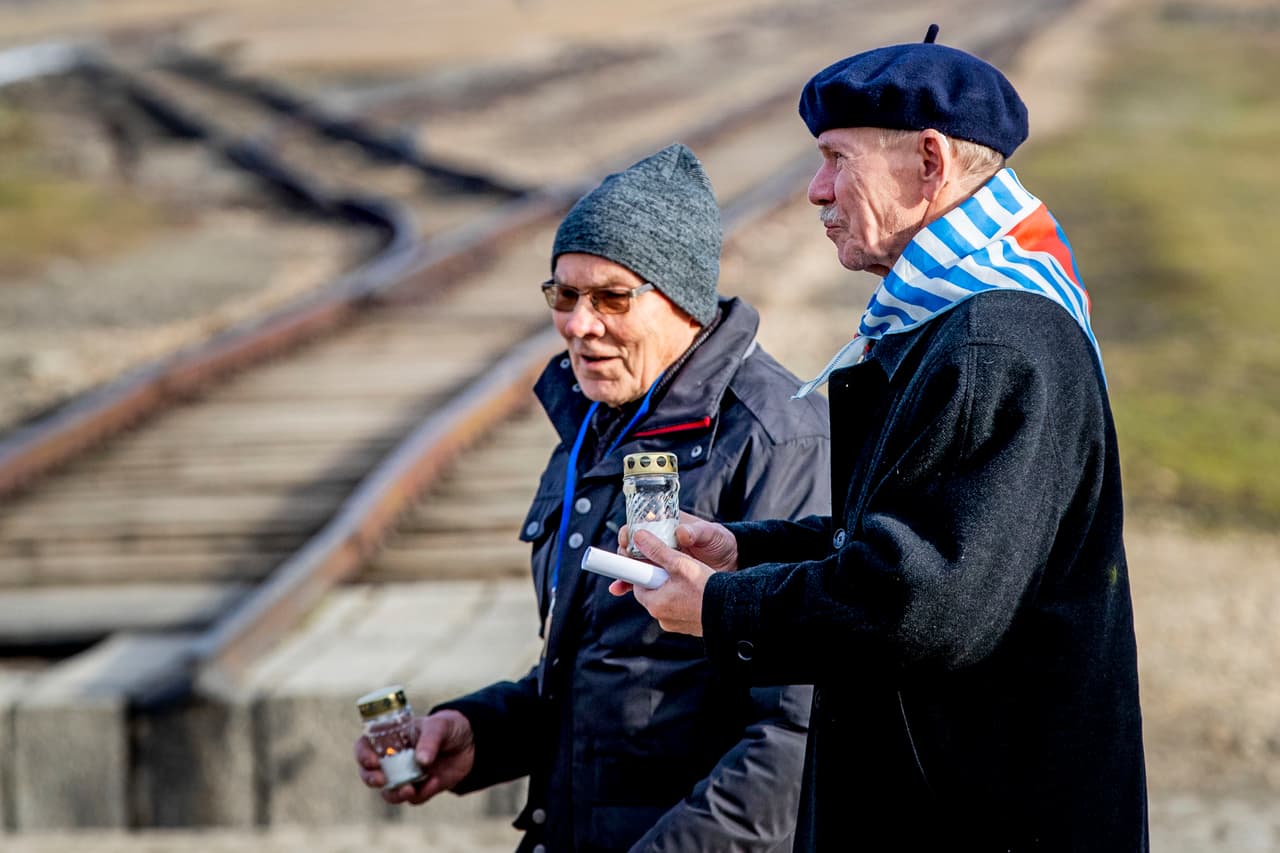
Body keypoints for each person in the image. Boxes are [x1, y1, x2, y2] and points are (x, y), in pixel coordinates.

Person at [615, 28, 1149, 851]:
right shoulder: (958, 316)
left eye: (836, 159)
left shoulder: (991, 342)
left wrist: (721, 609)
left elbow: (923, 602)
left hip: (976, 820)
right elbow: (902, 538)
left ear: (930, 163)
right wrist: (739, 552)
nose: (815, 191)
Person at [355, 142, 831, 852]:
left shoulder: (779, 440)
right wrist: (478, 734)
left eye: (611, 297)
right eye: (563, 295)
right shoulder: (599, 424)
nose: (579, 325)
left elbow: (795, 736)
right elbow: (605, 667)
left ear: (683, 298)